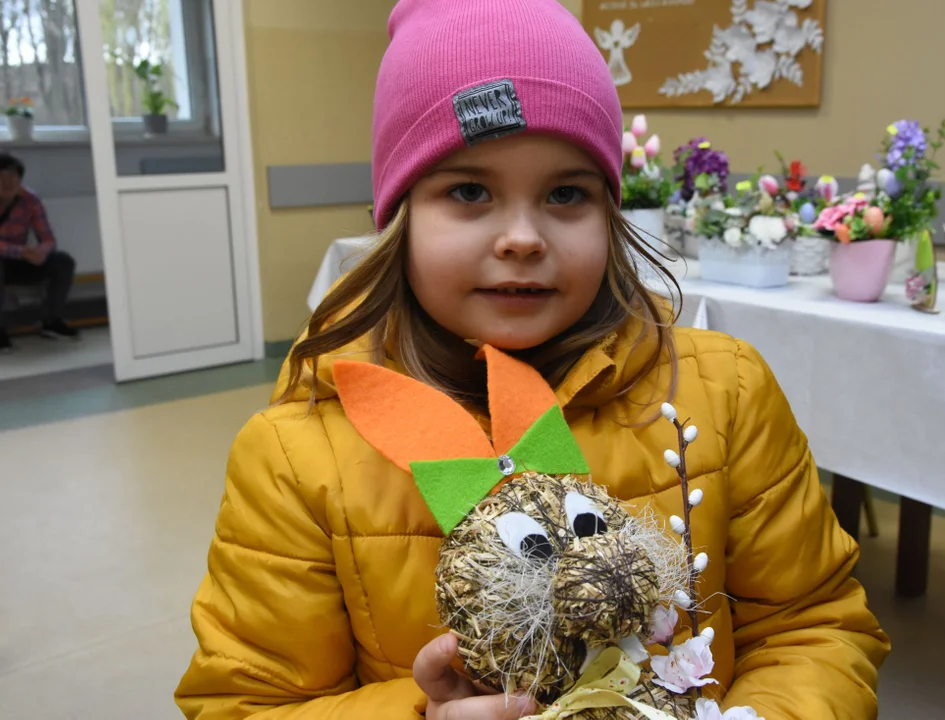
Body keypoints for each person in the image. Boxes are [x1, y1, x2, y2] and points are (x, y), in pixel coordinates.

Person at [175, 1, 890, 718]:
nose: (522, 236)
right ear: (401, 215)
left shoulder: (725, 391)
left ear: (609, 213)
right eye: (469, 191)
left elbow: (814, 625)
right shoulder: (296, 456)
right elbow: (247, 702)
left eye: (566, 193)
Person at [0, 152, 79, 352]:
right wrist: (20, 251)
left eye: (13, 177)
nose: (7, 183)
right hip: (9, 257)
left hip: (20, 260)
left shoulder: (30, 200)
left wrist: (41, 252)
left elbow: (48, 239)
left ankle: (51, 321)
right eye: (1, 178)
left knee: (63, 261)